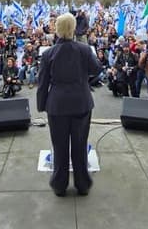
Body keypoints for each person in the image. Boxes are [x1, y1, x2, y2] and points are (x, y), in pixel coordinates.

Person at [37, 12, 101, 197]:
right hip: (81, 102)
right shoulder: (84, 49)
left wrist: (42, 105)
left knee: (60, 145)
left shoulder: (49, 53)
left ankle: (59, 184)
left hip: (57, 105)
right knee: (80, 144)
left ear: (56, 30)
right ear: (74, 29)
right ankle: (82, 184)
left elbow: (42, 83)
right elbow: (96, 69)